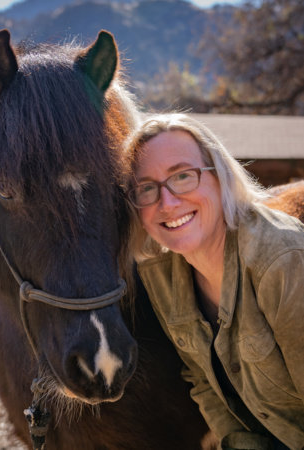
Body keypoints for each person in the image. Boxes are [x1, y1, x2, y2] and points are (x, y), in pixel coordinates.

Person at [125, 113, 304, 450]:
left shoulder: (281, 259)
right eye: (146, 188)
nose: (168, 202)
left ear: (219, 176)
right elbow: (203, 382)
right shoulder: (160, 275)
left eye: (183, 176)